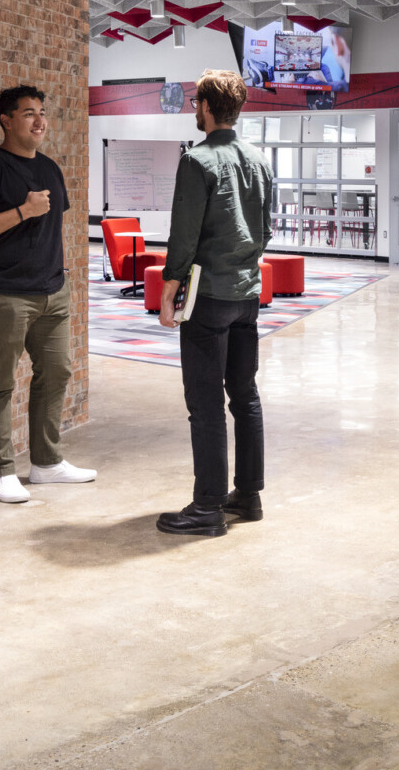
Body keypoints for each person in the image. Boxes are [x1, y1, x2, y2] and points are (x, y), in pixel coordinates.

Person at [0, 85, 95, 503]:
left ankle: (47, 463)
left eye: (42, 112)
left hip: (52, 292)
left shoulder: (50, 168)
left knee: (57, 372)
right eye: (29, 113)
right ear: (6, 120)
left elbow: (54, 230)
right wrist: (22, 211)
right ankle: (0, 472)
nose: (39, 121)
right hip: (2, 295)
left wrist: (61, 274)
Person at [155, 69, 274, 537]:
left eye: (195, 104)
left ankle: (207, 507)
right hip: (247, 294)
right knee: (244, 396)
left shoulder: (197, 160)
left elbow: (183, 238)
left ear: (205, 107)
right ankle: (247, 494)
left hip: (207, 299)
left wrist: (169, 291)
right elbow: (265, 230)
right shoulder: (259, 160)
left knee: (204, 404)